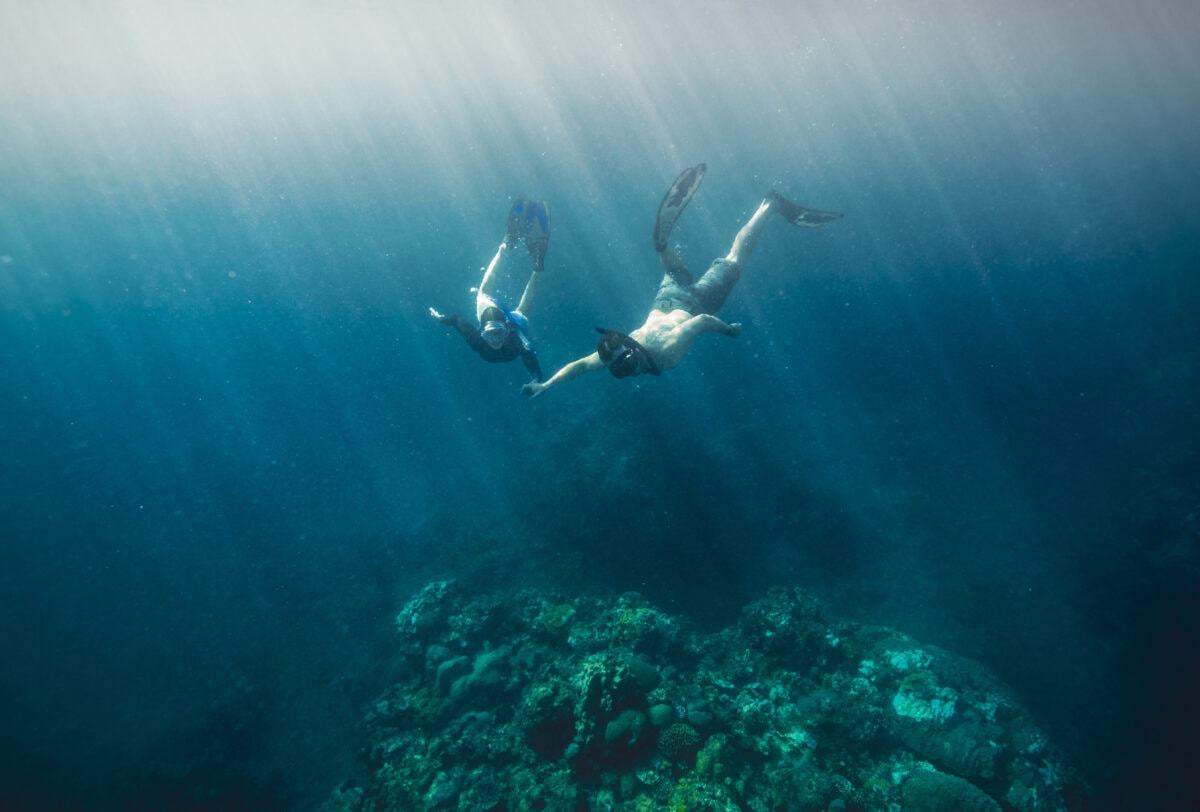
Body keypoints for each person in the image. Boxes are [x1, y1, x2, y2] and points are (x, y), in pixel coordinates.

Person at [521, 165, 841, 398]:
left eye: (625, 371)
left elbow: (701, 321)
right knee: (678, 273)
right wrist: (546, 385)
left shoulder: (666, 355)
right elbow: (579, 366)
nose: (627, 374)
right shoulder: (615, 350)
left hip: (697, 303)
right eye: (620, 371)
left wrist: (729, 331)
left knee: (733, 259)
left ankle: (771, 206)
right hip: (664, 302)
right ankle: (664, 251)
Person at [430, 199, 550, 382]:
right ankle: (535, 268)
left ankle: (507, 250)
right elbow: (532, 361)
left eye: (497, 334)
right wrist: (536, 378)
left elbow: (456, 320)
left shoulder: (482, 340)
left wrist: (441, 319)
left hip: (507, 323)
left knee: (483, 296)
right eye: (492, 335)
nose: (495, 340)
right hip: (511, 324)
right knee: (521, 312)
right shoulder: (513, 339)